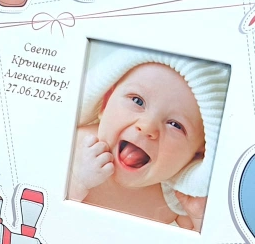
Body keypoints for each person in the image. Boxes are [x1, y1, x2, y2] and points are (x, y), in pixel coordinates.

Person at [69, 48, 229, 231]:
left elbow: (204, 242)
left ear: (199, 154)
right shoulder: (75, 146)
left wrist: (199, 216)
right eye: (137, 101)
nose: (147, 127)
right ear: (105, 103)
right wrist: (75, 181)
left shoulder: (176, 198)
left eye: (175, 124)